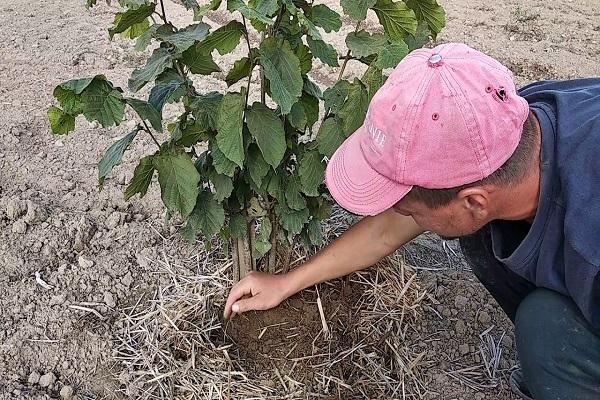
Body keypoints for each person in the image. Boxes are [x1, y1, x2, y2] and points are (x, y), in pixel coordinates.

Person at [223, 43, 600, 399]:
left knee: (547, 332)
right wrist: (288, 283)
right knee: (484, 242)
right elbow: (390, 229)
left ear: (474, 201)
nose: (402, 213)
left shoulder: (590, 245)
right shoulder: (506, 121)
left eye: (408, 207)